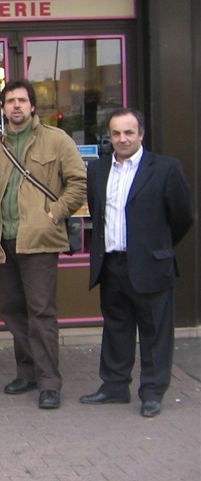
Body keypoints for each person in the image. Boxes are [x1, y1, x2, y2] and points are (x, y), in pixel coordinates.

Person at [0, 79, 86, 409]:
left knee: (41, 312)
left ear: (33, 106)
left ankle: (49, 381)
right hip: (4, 242)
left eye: (22, 100)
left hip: (38, 241)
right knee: (12, 311)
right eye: (10, 101)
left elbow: (78, 183)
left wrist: (54, 213)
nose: (16, 106)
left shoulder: (57, 140)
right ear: (3, 108)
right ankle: (27, 371)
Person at [80, 108, 193, 418]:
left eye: (129, 132)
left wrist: (157, 248)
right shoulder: (98, 170)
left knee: (155, 331)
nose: (122, 139)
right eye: (116, 133)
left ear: (141, 134)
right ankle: (114, 386)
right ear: (110, 136)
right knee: (116, 327)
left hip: (151, 264)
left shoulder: (165, 169)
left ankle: (153, 391)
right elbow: (97, 211)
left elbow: (181, 217)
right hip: (113, 264)